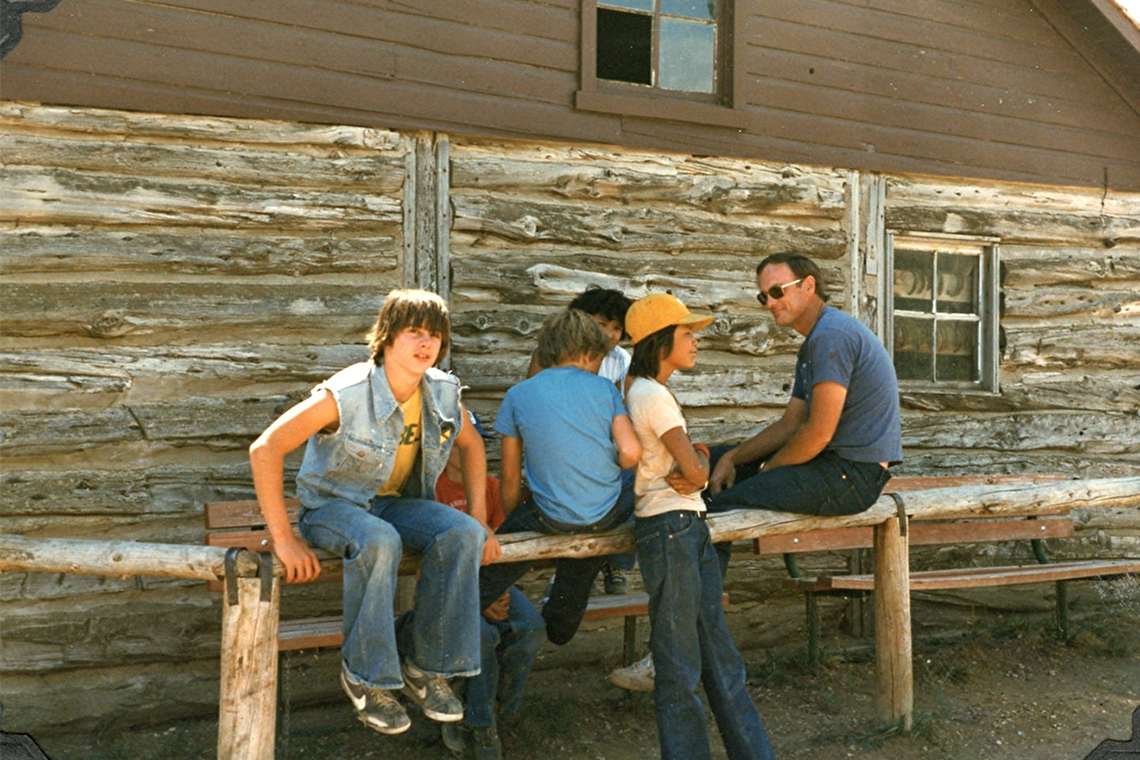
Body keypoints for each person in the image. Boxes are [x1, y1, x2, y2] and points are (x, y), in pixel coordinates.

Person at [610, 252, 903, 692]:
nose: (769, 302)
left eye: (777, 291)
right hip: (834, 465)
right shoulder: (817, 339)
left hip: (851, 476)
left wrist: (763, 471)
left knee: (717, 507)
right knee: (717, 470)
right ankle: (684, 638)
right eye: (763, 295)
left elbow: (818, 433)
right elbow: (789, 424)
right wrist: (731, 459)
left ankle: (673, 648)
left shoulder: (832, 338)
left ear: (808, 286)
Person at [248, 289, 500, 736]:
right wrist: (284, 539)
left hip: (395, 505)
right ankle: (366, 679)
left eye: (435, 336)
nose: (426, 344)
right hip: (332, 508)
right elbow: (265, 448)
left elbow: (472, 445)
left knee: (461, 533)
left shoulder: (441, 391)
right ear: (386, 339)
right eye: (414, 333)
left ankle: (427, 669)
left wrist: (480, 517)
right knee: (379, 539)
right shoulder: (345, 393)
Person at [621, 292, 775, 760]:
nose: (694, 342)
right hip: (671, 528)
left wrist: (699, 464)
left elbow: (696, 468)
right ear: (660, 339)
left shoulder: (644, 391)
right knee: (679, 662)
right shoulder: (652, 394)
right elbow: (697, 474)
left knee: (713, 654)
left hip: (683, 527)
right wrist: (699, 465)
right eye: (687, 333)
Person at [480, 308, 641, 646]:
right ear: (587, 355)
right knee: (619, 494)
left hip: (548, 516)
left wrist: (516, 527)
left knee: (485, 580)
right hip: (606, 514)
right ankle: (561, 626)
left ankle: (473, 603)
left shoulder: (518, 394)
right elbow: (630, 453)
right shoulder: (605, 390)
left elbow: (508, 477)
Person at [436, 413, 545, 760]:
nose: (472, 450)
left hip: (492, 584)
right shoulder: (433, 488)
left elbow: (502, 552)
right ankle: (482, 727)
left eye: (477, 442)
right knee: (482, 636)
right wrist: (481, 599)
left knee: (530, 628)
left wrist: (495, 592)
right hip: (447, 590)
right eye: (463, 443)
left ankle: (498, 711)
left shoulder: (493, 487)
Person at [528, 286, 636, 594]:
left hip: (603, 447)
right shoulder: (549, 355)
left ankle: (615, 563)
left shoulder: (619, 359)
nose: (610, 334)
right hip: (560, 448)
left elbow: (622, 409)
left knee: (631, 474)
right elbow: (535, 400)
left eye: (617, 328)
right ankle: (567, 575)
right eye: (602, 324)